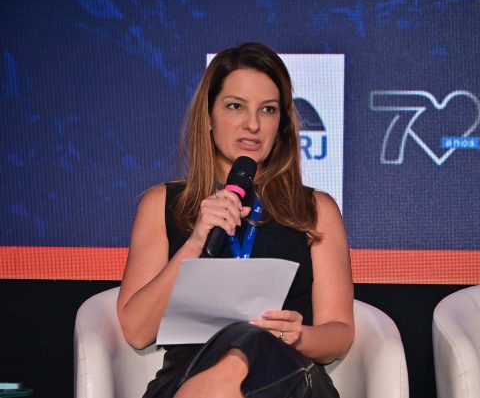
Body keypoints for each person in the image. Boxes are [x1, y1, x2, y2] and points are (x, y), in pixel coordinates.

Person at [116, 42, 354, 398]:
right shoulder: (162, 204)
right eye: (235, 106)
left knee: (253, 339)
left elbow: (339, 334)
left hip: (286, 380)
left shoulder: (315, 209)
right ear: (209, 117)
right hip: (188, 375)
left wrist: (298, 335)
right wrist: (196, 242)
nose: (253, 124)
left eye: (268, 110)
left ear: (281, 124)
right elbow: (137, 331)